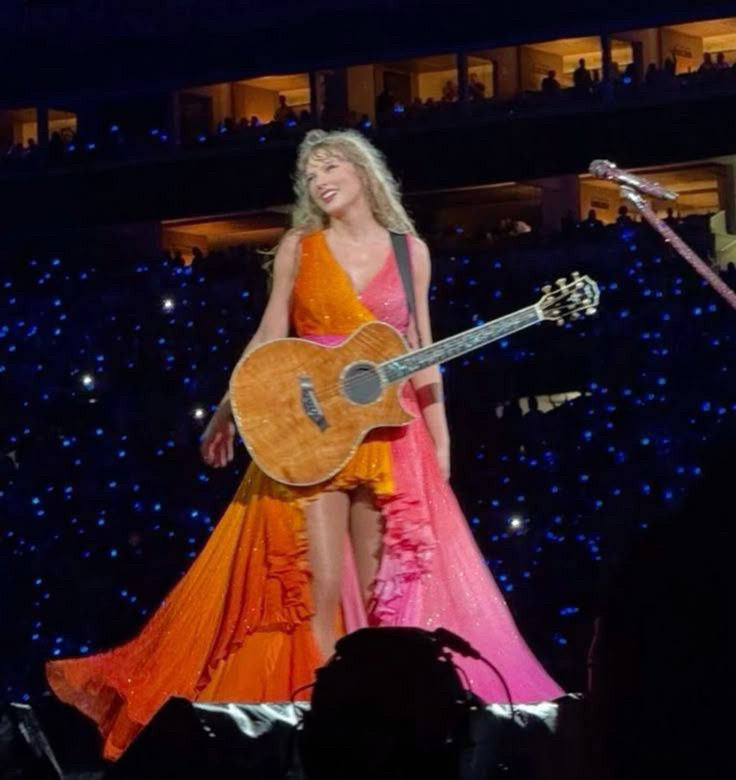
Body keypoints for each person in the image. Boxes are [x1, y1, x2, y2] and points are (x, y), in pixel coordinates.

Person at [45, 129, 563, 761]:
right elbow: (270, 334)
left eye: (330, 165)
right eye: (311, 172)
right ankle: (322, 730)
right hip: (312, 427)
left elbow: (423, 348)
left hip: (389, 431)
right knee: (316, 583)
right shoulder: (300, 246)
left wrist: (441, 438)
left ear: (363, 171)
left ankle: (382, 730)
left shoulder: (410, 253)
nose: (319, 178)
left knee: (383, 592)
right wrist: (227, 410)